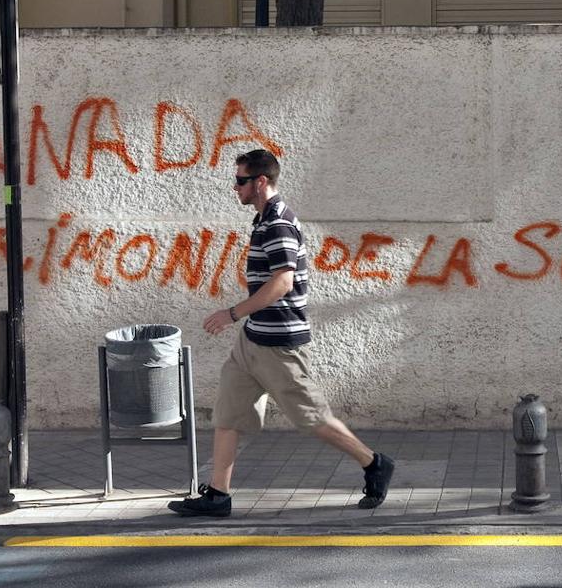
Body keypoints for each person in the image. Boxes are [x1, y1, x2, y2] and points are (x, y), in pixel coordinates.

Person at [168, 148, 395, 518]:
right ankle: (218, 495)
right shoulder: (262, 220)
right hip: (252, 341)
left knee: (311, 417)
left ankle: (373, 463)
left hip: (278, 344)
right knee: (228, 411)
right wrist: (242, 321)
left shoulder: (278, 224)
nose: (234, 186)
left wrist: (231, 313)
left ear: (260, 182)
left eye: (241, 180)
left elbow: (283, 282)